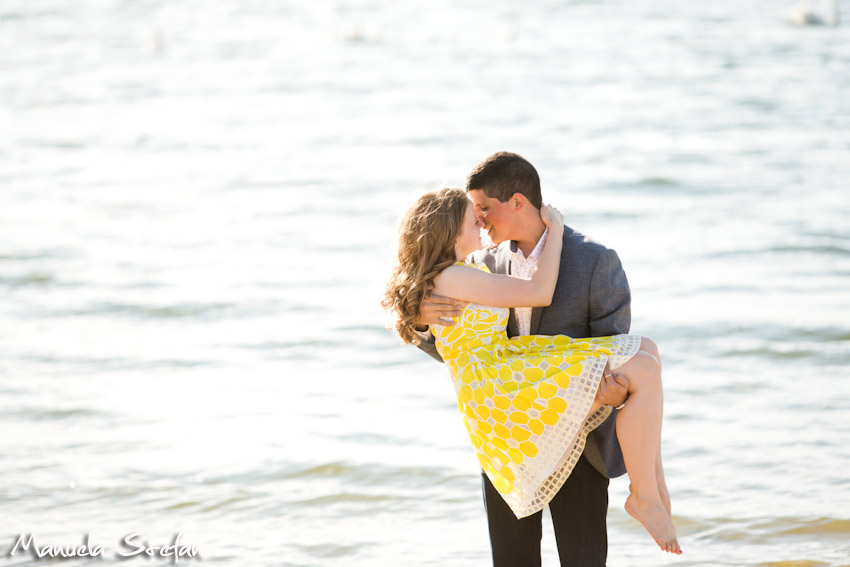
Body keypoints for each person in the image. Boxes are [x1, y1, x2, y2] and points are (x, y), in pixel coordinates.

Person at [385, 153, 680, 565]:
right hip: (511, 429)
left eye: (485, 209)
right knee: (513, 560)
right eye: (475, 215)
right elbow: (454, 346)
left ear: (518, 202)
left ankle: (652, 494)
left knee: (646, 356)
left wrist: (615, 392)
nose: (482, 221)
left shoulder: (594, 261)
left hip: (575, 436)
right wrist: (418, 322)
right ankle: (648, 495)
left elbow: (613, 341)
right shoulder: (479, 264)